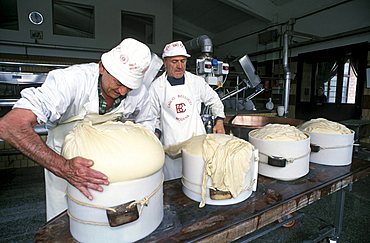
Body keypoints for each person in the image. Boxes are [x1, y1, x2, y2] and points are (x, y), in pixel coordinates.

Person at [0, 38, 154, 221]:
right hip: (65, 161)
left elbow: (147, 121)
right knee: (64, 218)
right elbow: (10, 126)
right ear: (102, 67)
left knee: (104, 220)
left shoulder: (138, 93)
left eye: (129, 86)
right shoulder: (71, 81)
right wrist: (63, 167)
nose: (122, 91)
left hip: (109, 164)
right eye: (119, 82)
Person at [149, 40, 225, 181]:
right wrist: (154, 137)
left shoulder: (195, 82)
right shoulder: (156, 87)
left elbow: (214, 100)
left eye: (183, 61)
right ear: (165, 62)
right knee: (174, 187)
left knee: (198, 182)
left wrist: (219, 121)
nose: (179, 66)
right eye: (174, 61)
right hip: (172, 151)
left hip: (196, 147)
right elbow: (152, 118)